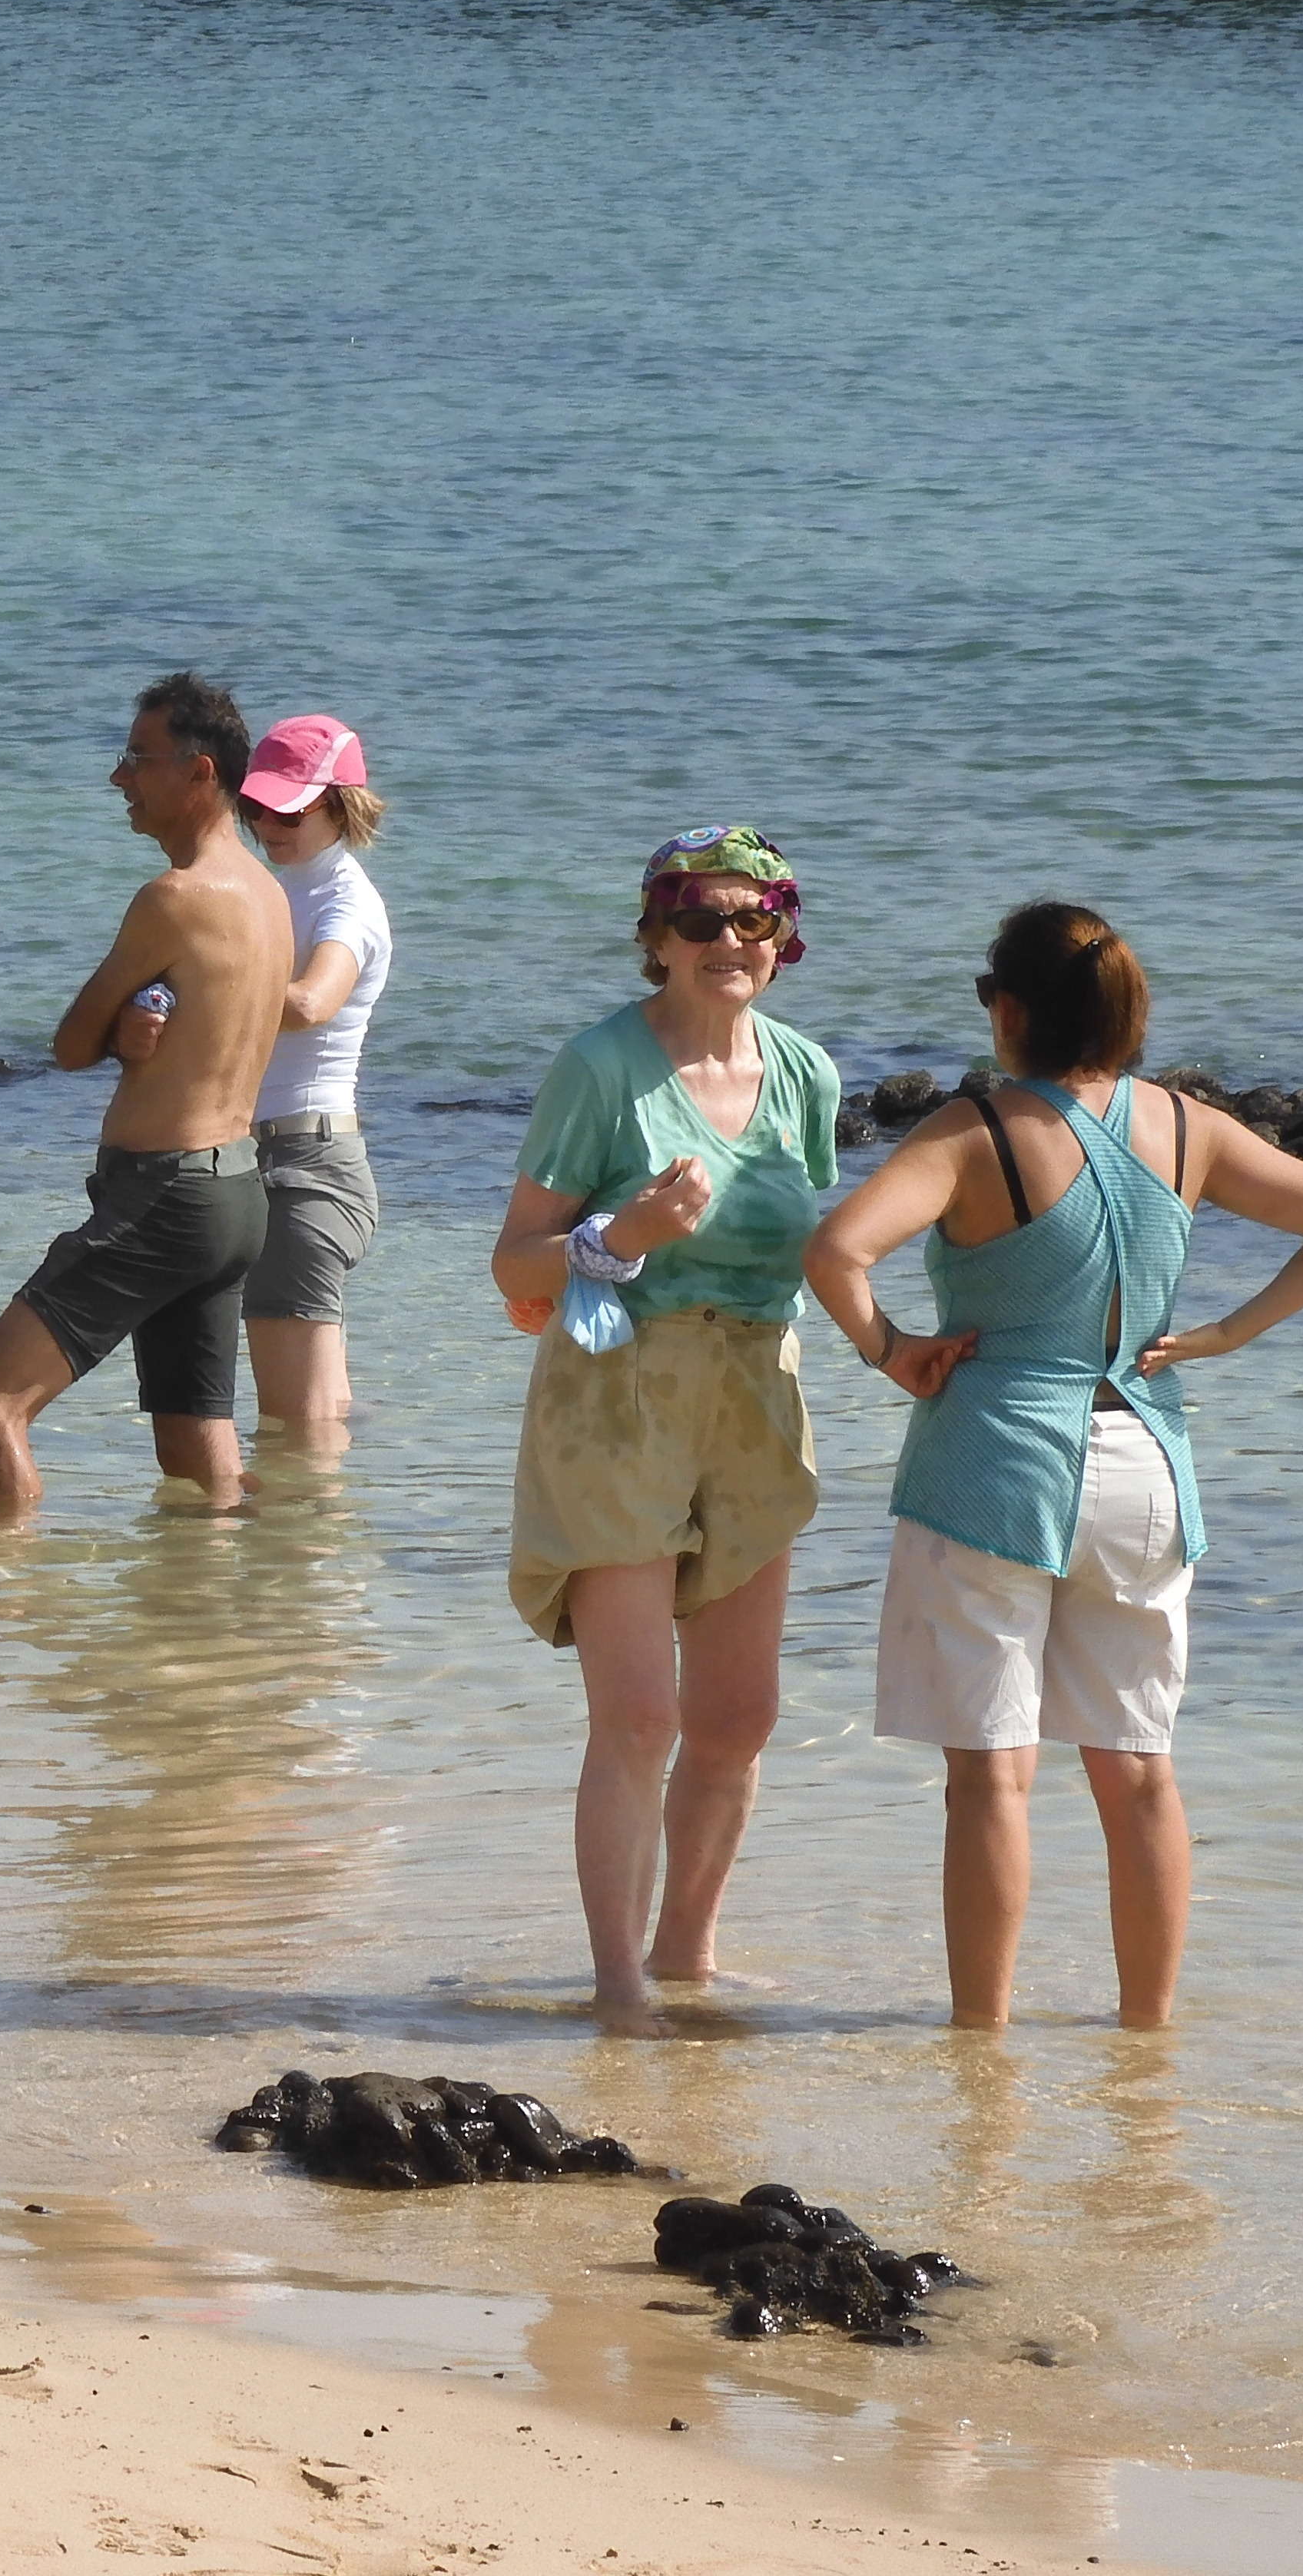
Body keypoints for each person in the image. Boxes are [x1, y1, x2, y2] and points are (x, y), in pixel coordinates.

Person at [803, 903, 1303, 2031]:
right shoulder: (1187, 1126)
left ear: (1006, 1010)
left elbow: (835, 1249)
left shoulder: (973, 1133)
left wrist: (890, 1350)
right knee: (1139, 1773)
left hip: (995, 1465)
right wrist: (1226, 1334)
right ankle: (1146, 2035)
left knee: (991, 1778)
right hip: (1144, 1462)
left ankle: (982, 2040)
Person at [489, 826, 840, 2029]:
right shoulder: (600, 1070)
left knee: (740, 1719)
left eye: (755, 920)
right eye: (700, 920)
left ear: (784, 934)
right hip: (616, 1398)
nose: (729, 943)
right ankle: (617, 1983)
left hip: (754, 1399)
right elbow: (513, 1263)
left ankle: (687, 1954)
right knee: (641, 1718)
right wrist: (618, 1238)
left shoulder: (808, 1074)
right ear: (656, 938)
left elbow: (821, 1251)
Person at [0, 673, 292, 1514]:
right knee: (192, 1446)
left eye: (140, 757)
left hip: (167, 1196)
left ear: (202, 773)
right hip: (238, 1192)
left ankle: (12, 1613)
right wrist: (137, 1026)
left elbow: (68, 1045)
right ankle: (219, 1622)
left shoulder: (173, 898)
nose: (119, 777)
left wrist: (116, 1028)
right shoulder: (270, 896)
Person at [229, 712, 393, 1445]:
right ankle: (324, 1550)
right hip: (274, 1157)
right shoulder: (284, 888)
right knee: (318, 1414)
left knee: (294, 1427)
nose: (268, 823)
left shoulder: (344, 902)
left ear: (339, 804)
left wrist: (204, 989)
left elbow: (308, 1003)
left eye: (288, 807)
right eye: (254, 807)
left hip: (307, 1163)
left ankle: (298, 1552)